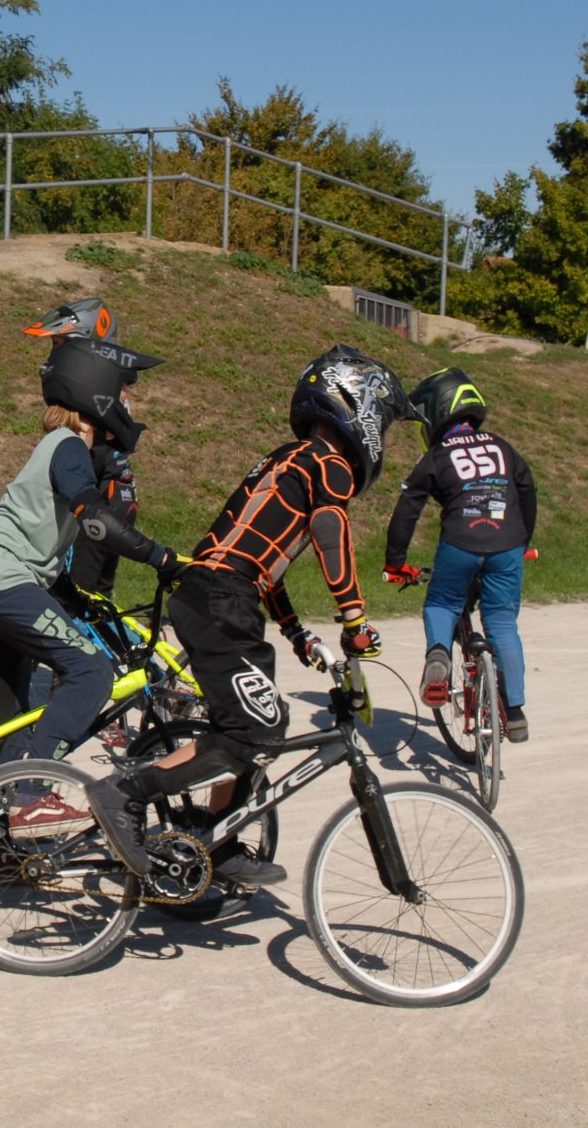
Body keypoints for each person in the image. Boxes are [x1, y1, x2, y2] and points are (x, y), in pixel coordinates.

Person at [85, 345, 420, 888]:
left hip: (218, 593)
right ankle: (122, 794)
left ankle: (217, 839)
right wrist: (354, 620)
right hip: (220, 598)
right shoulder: (328, 463)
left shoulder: (293, 458)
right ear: (357, 407)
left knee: (257, 727)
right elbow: (331, 536)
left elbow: (266, 563)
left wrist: (294, 632)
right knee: (255, 731)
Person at [0, 334, 181, 834]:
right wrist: (159, 556)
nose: (130, 403)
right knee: (92, 670)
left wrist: (78, 600)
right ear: (96, 394)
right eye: (125, 391)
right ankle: (33, 796)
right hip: (3, 583)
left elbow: (41, 544)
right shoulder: (69, 447)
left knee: (9, 716)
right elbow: (95, 520)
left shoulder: (57, 448)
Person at [384, 366, 538, 742]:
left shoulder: (438, 456)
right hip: (508, 545)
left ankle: (438, 655)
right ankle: (515, 712)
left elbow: (408, 508)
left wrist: (396, 562)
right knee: (502, 622)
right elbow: (527, 489)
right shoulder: (502, 446)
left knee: (442, 603)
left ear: (436, 413)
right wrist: (522, 543)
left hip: (460, 543)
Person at [24, 298, 142, 597]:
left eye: (62, 343)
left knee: (75, 600)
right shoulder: (107, 383)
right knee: (97, 598)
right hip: (115, 497)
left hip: (101, 501)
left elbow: (86, 457)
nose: (54, 352)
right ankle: (116, 644)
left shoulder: (90, 391)